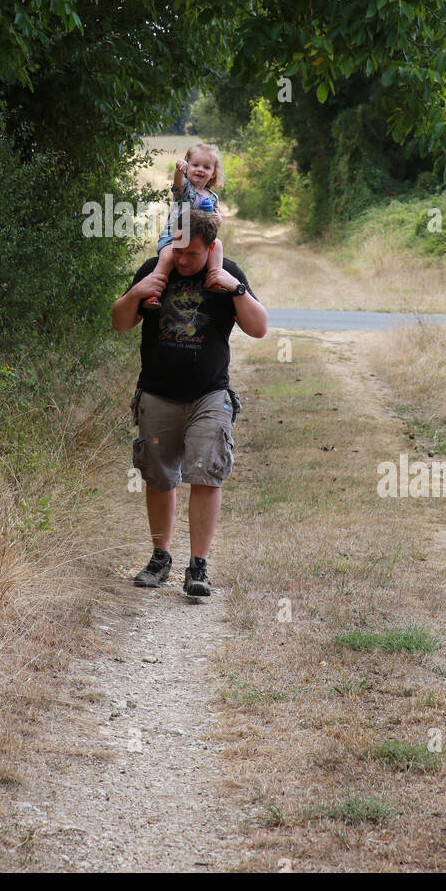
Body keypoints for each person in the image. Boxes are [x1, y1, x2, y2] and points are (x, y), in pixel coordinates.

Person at [111, 208, 268, 599]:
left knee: (206, 473)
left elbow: (260, 328)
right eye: (176, 252)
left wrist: (235, 288)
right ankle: (160, 557)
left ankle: (197, 566)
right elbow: (119, 322)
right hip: (157, 392)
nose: (183, 261)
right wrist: (137, 290)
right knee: (160, 477)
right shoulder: (154, 271)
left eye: (192, 255)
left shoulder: (227, 274)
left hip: (210, 394)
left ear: (210, 248)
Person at [140, 143, 225, 310]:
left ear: (213, 173)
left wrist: (218, 220)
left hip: (198, 241)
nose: (200, 169)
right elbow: (178, 183)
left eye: (206, 167)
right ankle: (152, 294)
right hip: (174, 236)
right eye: (195, 165)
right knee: (166, 258)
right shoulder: (185, 188)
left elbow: (213, 224)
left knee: (218, 246)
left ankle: (215, 278)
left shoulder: (213, 197)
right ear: (188, 167)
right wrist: (179, 170)